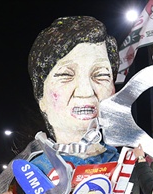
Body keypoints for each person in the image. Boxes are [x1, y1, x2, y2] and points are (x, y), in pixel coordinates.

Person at [27, 16, 121, 174]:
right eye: (65, 75)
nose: (86, 92)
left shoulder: (124, 164)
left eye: (100, 75)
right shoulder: (37, 171)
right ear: (41, 98)